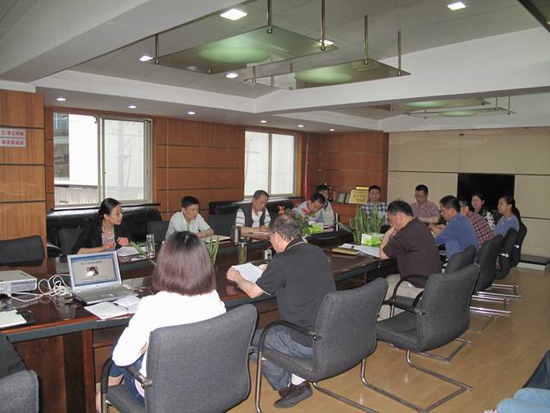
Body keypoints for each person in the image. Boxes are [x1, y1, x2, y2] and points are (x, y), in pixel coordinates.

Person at [101, 232, 226, 407]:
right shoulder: (213, 297)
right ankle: (101, 399)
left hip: (158, 394)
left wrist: (148, 345)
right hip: (204, 384)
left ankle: (101, 399)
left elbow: (122, 358)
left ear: (164, 265)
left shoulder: (154, 305)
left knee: (120, 346)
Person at [226, 214, 336, 408]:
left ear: (277, 235)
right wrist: (270, 270)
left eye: (270, 238)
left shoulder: (282, 260)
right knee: (274, 331)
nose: (271, 243)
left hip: (304, 339)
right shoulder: (316, 251)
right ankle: (297, 379)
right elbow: (298, 274)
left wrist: (237, 277)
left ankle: (289, 386)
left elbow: (252, 292)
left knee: (248, 339)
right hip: (328, 332)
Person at [379, 200, 441, 319]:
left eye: (390, 220)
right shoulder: (419, 225)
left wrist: (387, 235)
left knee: (382, 288)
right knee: (389, 279)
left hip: (419, 288)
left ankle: (383, 321)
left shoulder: (405, 233)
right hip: (432, 283)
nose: (391, 224)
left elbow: (383, 254)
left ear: (399, 217)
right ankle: (397, 314)